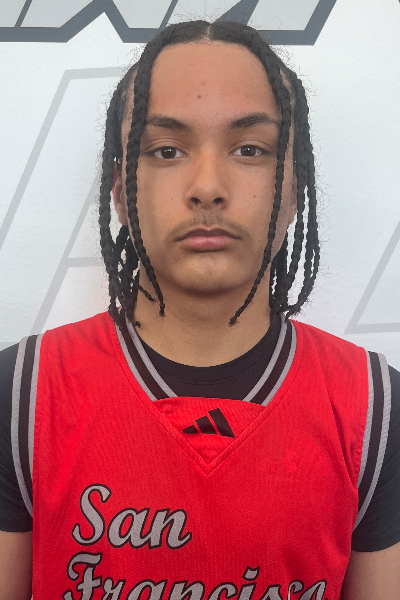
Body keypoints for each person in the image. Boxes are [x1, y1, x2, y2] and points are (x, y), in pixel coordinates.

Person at [0, 19, 399, 600]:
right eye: (166, 150)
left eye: (249, 149)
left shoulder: (375, 410)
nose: (207, 186)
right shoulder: (21, 395)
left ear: (294, 188)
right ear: (121, 189)